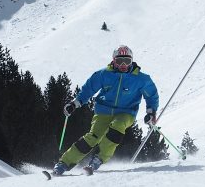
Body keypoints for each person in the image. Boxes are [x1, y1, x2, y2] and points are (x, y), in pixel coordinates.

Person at [52, 45, 159, 175]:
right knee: (93, 137)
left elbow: (151, 96)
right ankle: (63, 163)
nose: (123, 65)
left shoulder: (141, 79)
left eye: (127, 61)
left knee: (118, 126)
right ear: (114, 60)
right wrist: (75, 104)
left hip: (126, 113)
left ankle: (98, 159)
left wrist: (151, 112)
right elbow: (88, 90)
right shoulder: (103, 75)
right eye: (120, 61)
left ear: (132, 61)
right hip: (103, 111)